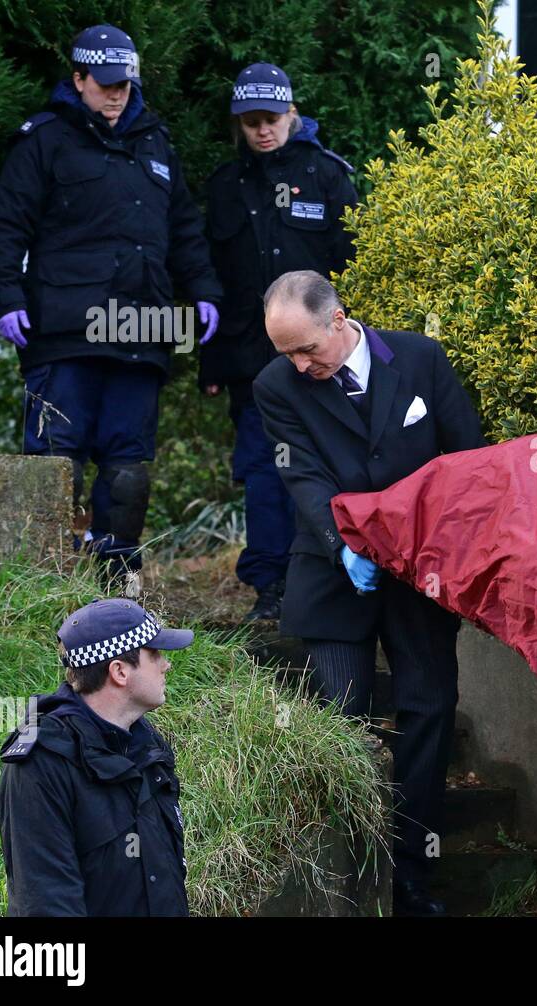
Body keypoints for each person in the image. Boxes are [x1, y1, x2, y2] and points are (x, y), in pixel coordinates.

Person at [252, 270, 486, 915]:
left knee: (430, 712)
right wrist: (343, 542)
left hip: (423, 573)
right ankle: (351, 882)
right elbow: (298, 473)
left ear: (338, 320)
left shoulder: (418, 357)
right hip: (332, 573)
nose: (300, 365)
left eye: (308, 349)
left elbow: (468, 459)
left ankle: (412, 876)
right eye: (287, 355)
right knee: (340, 725)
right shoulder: (276, 386)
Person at [0, 24, 222, 587]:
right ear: (79, 78)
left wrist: (205, 291)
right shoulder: (42, 140)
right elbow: (7, 225)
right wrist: (7, 298)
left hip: (141, 328)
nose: (116, 94)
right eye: (105, 83)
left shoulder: (156, 142)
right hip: (63, 330)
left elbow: (185, 230)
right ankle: (41, 585)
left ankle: (115, 581)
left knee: (128, 469)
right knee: (53, 465)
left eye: (125, 84)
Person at [201, 63, 360, 622]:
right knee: (265, 472)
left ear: (292, 112)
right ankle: (269, 588)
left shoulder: (328, 176)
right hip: (251, 361)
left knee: (325, 465)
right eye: (251, 122)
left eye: (271, 118)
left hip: (323, 359)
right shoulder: (225, 186)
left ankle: (326, 575)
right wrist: (212, 359)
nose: (263, 130)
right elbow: (213, 283)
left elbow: (358, 268)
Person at [0, 599, 195, 916]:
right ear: (119, 671)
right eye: (154, 654)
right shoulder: (41, 763)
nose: (166, 664)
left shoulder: (147, 744)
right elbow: (47, 903)